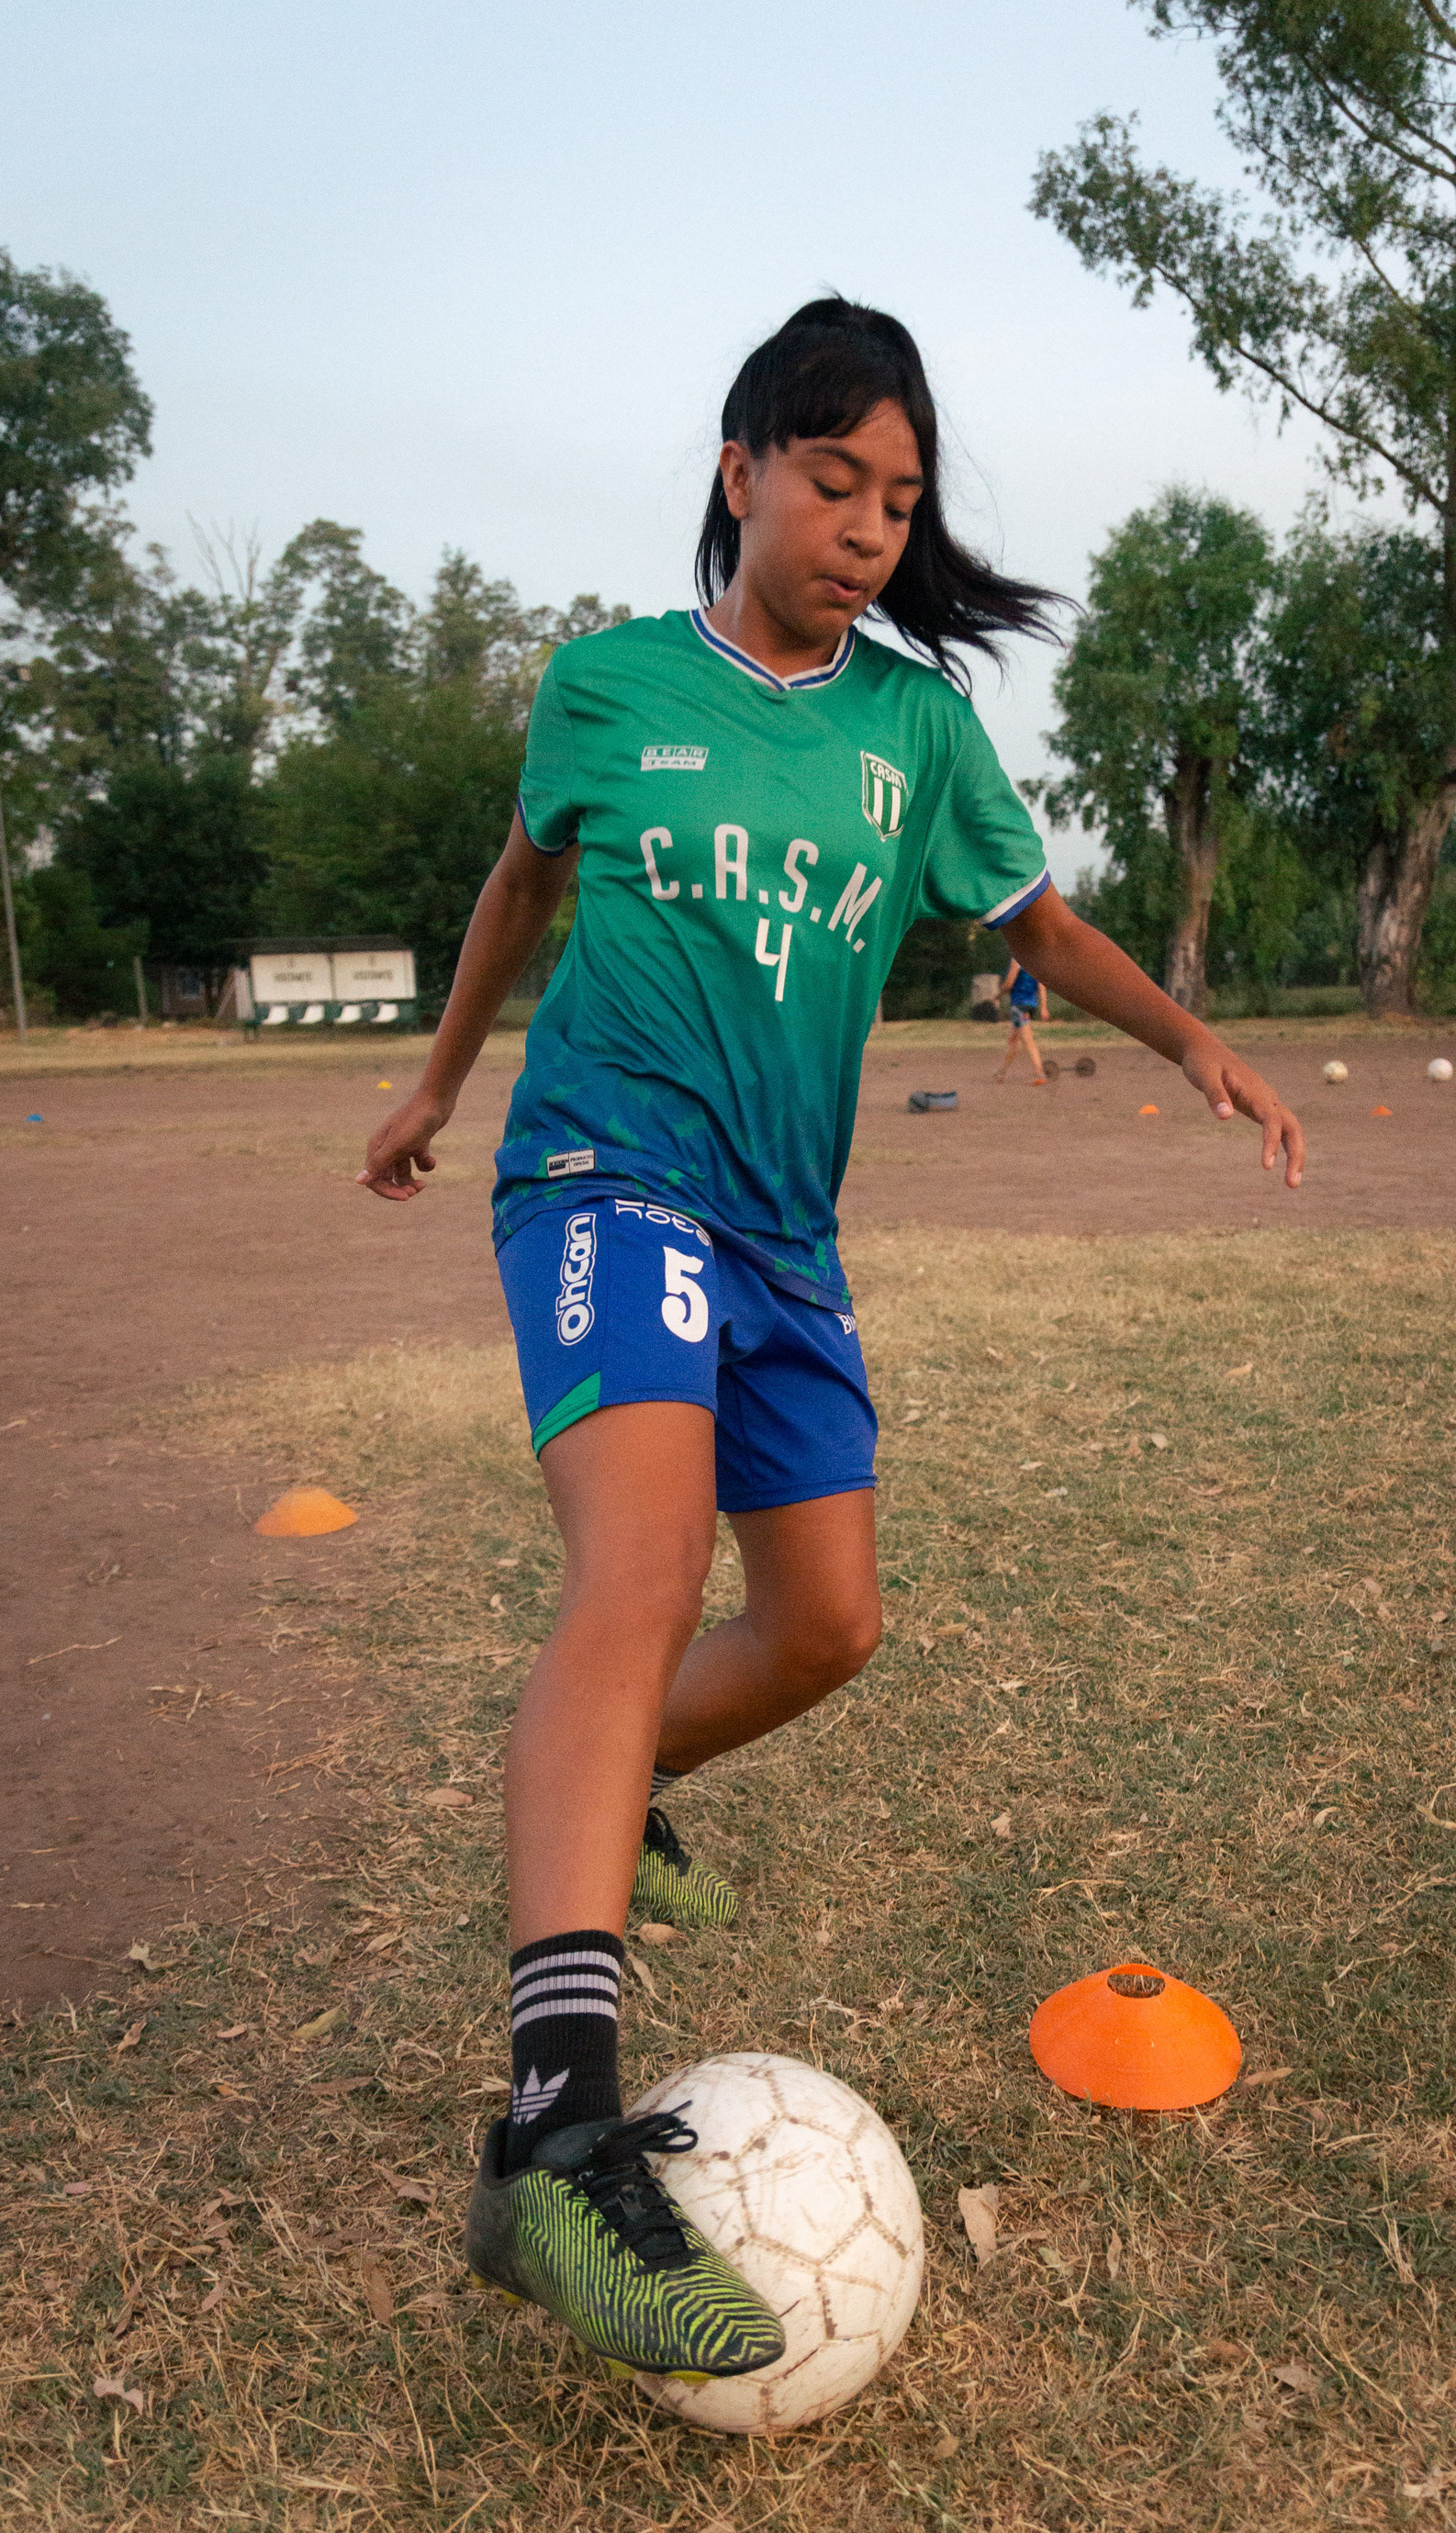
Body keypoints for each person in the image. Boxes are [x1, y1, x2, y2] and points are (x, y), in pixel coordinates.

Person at [360, 297, 1305, 2382]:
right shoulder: (610, 688)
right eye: (833, 480)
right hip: (606, 1179)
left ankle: (610, 1791)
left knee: (826, 1624)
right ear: (739, 473)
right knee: (642, 1565)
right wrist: (439, 1085)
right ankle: (551, 2137)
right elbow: (522, 891)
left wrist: (1194, 1034)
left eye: (901, 495)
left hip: (789, 1232)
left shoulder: (916, 734)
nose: (872, 525)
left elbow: (1030, 926)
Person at [995, 956, 1048, 1083]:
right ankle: (1001, 1073)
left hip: (1019, 1005)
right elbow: (1042, 986)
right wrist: (1043, 1007)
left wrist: (998, 994)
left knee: (1027, 1040)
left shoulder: (1018, 959)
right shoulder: (1036, 961)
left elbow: (1009, 983)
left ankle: (1041, 1074)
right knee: (1013, 1040)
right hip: (1031, 1005)